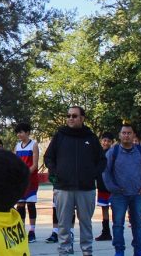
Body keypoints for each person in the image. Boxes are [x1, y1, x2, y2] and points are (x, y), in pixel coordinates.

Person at [44, 106, 106, 256]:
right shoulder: (60, 135)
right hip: (63, 188)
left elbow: (102, 160)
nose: (70, 118)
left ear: (82, 118)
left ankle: (87, 251)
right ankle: (64, 251)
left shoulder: (90, 137)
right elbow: (48, 157)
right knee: (64, 224)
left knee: (86, 223)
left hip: (86, 188)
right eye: (68, 116)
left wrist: (92, 174)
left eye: (74, 116)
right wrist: (55, 172)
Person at [103, 124, 141, 256]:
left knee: (137, 224)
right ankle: (119, 250)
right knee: (118, 224)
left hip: (138, 194)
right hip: (119, 195)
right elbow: (106, 172)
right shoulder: (113, 152)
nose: (126, 135)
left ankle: (139, 250)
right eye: (123, 133)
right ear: (119, 136)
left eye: (129, 133)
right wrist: (113, 188)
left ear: (134, 135)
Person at [14, 122, 39, 242]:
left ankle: (32, 231)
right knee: (20, 205)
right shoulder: (17, 146)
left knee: (31, 204)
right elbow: (15, 163)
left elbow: (35, 164)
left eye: (21, 132)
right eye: (18, 132)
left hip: (31, 179)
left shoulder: (34, 145)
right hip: (20, 180)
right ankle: (22, 230)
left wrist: (25, 173)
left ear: (27, 132)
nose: (19, 134)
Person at [95, 132, 115, 242]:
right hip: (102, 186)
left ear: (112, 142)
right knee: (104, 208)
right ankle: (106, 232)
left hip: (111, 187)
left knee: (115, 209)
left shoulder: (113, 154)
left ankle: (117, 231)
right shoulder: (98, 153)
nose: (105, 142)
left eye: (108, 141)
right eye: (104, 140)